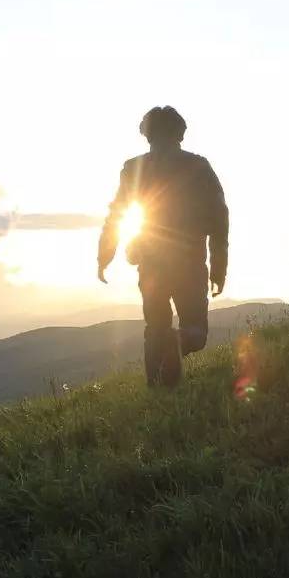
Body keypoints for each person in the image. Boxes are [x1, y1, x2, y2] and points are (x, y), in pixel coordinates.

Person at [97, 106, 229, 387]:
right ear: (180, 133)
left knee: (155, 329)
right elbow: (220, 219)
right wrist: (219, 268)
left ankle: (158, 389)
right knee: (195, 334)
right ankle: (169, 372)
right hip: (190, 262)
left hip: (150, 261)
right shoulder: (199, 166)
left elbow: (116, 214)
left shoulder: (133, 168)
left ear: (146, 135)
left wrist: (105, 256)